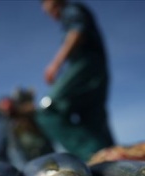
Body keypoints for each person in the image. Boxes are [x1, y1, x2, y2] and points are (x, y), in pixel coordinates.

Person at [36, 0, 115, 161]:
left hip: (85, 66)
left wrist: (55, 64)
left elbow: (76, 32)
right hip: (97, 70)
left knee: (48, 111)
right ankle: (114, 162)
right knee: (92, 119)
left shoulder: (71, 10)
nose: (50, 13)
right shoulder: (75, 11)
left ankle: (94, 156)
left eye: (49, 7)